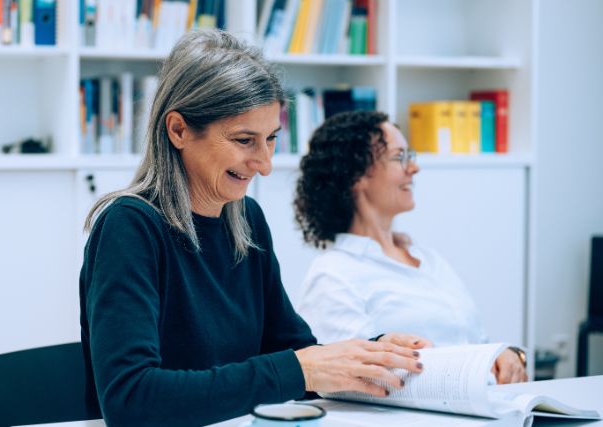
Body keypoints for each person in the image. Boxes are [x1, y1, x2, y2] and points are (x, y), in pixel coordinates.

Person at [79, 30, 428, 427]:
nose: (264, 164)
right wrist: (301, 369)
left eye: (271, 139)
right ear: (178, 130)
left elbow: (295, 355)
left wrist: (372, 356)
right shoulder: (129, 227)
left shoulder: (247, 220)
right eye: (245, 140)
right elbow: (131, 400)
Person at [293, 111, 528, 385]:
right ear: (356, 174)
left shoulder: (426, 258)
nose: (414, 168)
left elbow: (473, 340)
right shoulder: (333, 275)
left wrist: (506, 355)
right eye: (399, 157)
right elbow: (354, 377)